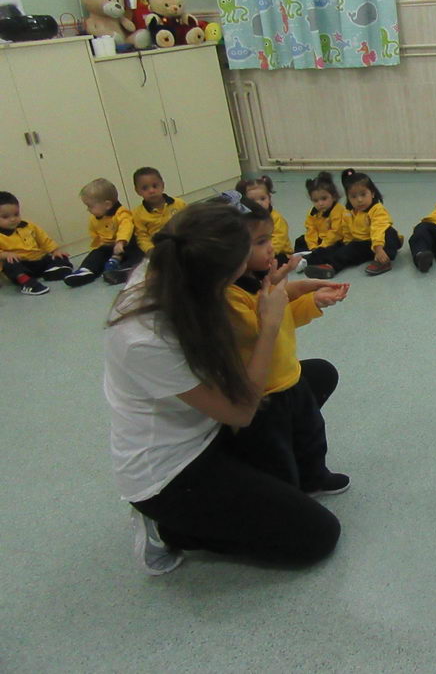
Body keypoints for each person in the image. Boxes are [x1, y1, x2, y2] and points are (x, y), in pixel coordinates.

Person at [104, 200, 341, 575]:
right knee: (316, 536)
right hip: (175, 468)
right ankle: (173, 530)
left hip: (213, 420)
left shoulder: (175, 263)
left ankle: (261, 486)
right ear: (214, 279)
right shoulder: (144, 338)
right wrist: (269, 322)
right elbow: (241, 412)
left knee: (313, 377)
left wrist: (291, 290)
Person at [224, 192, 350, 492]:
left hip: (288, 377)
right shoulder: (228, 295)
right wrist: (283, 290)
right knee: (276, 452)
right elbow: (262, 329)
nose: (271, 248)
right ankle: (288, 495)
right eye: (260, 242)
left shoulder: (256, 281)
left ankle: (314, 475)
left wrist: (310, 299)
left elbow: (280, 322)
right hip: (264, 394)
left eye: (269, 239)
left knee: (311, 433)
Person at [65, 178, 141, 287]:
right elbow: (95, 235)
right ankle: (87, 270)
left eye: (90, 206)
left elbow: (126, 227)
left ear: (107, 205)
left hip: (125, 245)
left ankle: (125, 270)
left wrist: (120, 242)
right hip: (108, 247)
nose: (88, 209)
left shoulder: (122, 214)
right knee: (96, 254)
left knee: (136, 254)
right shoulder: (94, 219)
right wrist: (99, 246)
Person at [0, 190, 72, 295]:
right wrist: (6, 254)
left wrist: (55, 250)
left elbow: (44, 239)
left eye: (16, 214)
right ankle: (26, 282)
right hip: (21, 265)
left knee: (59, 256)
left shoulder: (28, 225)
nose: (13, 219)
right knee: (10, 264)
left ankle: (55, 270)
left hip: (38, 259)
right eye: (5, 217)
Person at [338, 168, 403, 276]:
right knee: (348, 249)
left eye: (363, 194)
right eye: (354, 196)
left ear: (372, 193)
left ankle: (383, 260)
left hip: (379, 240)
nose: (359, 200)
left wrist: (378, 248)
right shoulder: (348, 212)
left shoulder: (377, 209)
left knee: (388, 232)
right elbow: (346, 229)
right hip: (365, 242)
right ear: (348, 198)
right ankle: (329, 265)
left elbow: (378, 228)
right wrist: (347, 242)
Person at [294, 171, 348, 279]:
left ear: (333, 196)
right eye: (315, 200)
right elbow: (310, 229)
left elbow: (336, 232)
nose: (320, 203)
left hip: (334, 241)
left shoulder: (338, 210)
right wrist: (313, 246)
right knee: (299, 240)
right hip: (319, 240)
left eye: (324, 199)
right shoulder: (313, 212)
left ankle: (309, 260)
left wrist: (321, 246)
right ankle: (307, 255)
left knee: (332, 251)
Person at [237, 175, 293, 265]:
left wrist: (265, 253)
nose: (259, 203)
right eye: (252, 200)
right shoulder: (248, 218)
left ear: (269, 198)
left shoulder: (276, 218)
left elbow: (279, 240)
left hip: (279, 252)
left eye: (263, 199)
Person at [131, 167, 186, 254]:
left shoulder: (179, 203)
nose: (151, 191)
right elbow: (142, 237)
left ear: (163, 185)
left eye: (155, 186)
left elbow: (190, 222)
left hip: (182, 241)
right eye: (145, 188)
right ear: (137, 191)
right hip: (159, 249)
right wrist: (150, 250)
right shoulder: (137, 214)